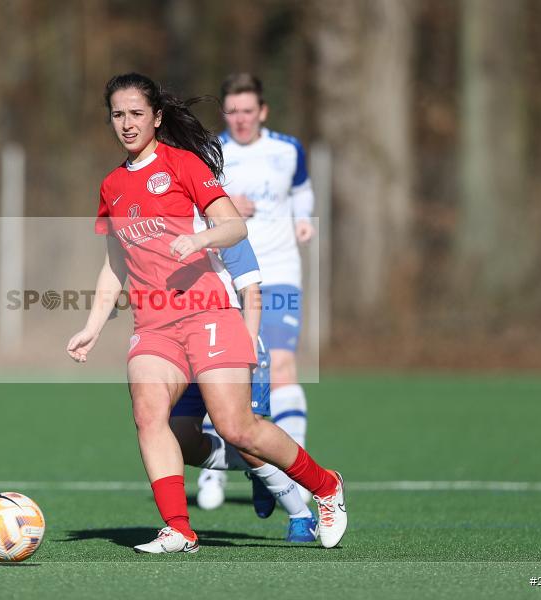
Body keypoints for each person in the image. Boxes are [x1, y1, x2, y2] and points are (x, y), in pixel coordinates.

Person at [67, 72, 346, 554]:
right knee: (148, 414)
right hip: (153, 324)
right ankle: (179, 527)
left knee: (237, 428)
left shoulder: (185, 165)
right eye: (118, 115)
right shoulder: (112, 185)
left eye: (137, 114)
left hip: (209, 313)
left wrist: (198, 238)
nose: (127, 124)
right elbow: (116, 262)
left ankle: (325, 487)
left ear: (156, 117)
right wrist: (92, 326)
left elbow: (234, 228)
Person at [196, 73, 317, 514]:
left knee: (282, 366)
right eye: (233, 111)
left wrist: (304, 218)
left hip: (281, 273)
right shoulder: (212, 153)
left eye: (248, 111)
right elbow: (196, 206)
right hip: (229, 276)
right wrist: (229, 207)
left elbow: (302, 191)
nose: (241, 119)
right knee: (222, 375)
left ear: (262, 111)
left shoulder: (288, 149)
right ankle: (216, 472)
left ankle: (295, 474)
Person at [169, 237, 319, 543]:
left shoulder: (224, 228)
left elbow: (251, 289)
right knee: (179, 439)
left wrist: (248, 345)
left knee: (245, 435)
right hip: (187, 345)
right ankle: (266, 466)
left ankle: (301, 515)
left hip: (231, 343)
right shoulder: (161, 230)